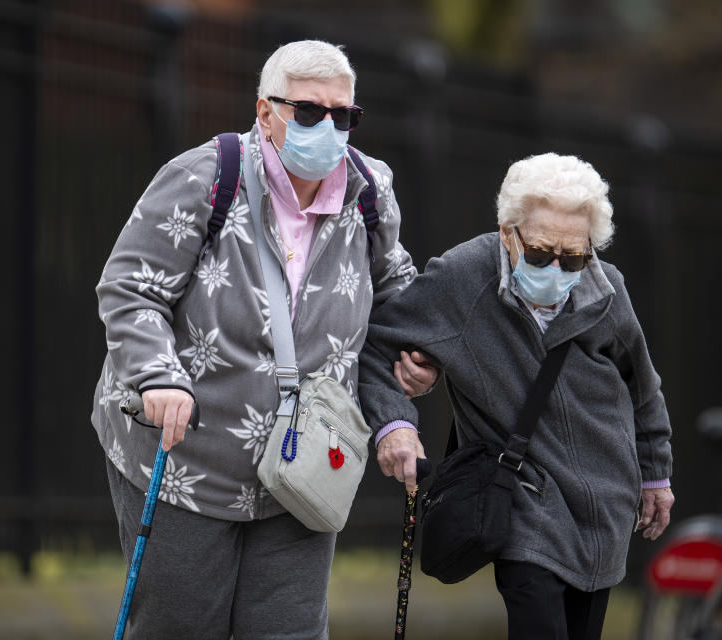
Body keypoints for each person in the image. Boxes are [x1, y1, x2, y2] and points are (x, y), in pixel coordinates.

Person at [91, 40, 435, 639]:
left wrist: (418, 355)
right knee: (180, 629)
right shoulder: (205, 177)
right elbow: (130, 287)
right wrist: (158, 377)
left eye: (342, 116)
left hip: (305, 469)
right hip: (187, 461)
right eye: (307, 111)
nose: (327, 127)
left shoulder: (369, 190)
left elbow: (396, 294)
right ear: (264, 111)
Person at [358, 152, 675, 640]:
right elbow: (377, 347)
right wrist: (395, 425)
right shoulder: (464, 278)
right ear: (508, 233)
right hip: (523, 499)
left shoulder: (606, 289)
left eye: (573, 256)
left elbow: (643, 387)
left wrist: (655, 474)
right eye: (541, 253)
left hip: (603, 503)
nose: (558, 268)